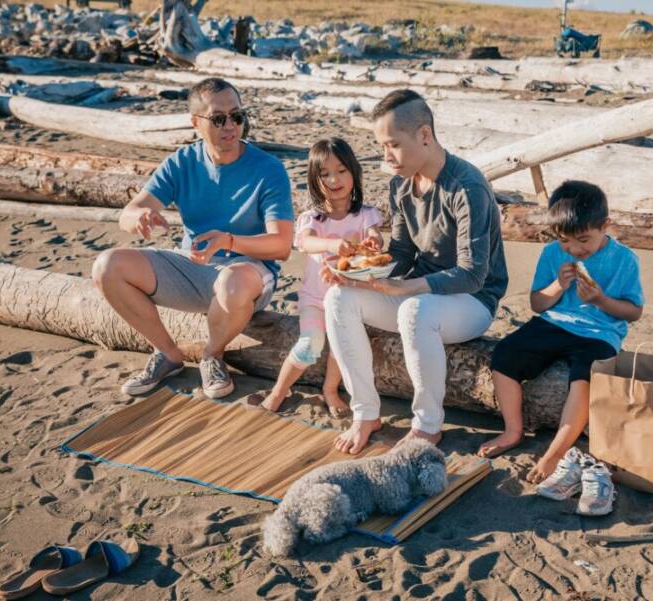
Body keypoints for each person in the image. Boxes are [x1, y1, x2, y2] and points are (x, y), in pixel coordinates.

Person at [322, 89, 508, 455]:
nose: (386, 156)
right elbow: (403, 253)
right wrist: (363, 274)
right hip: (422, 297)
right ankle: (366, 413)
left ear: (424, 135)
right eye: (381, 146)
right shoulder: (401, 185)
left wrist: (405, 288)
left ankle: (427, 425)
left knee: (413, 308)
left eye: (393, 145)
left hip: (473, 301)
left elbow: (473, 274)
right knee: (338, 297)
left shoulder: (468, 187)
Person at [92, 77, 294, 399]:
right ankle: (167, 353)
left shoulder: (269, 169)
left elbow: (281, 246)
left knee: (232, 283)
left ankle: (212, 355)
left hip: (248, 274)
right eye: (218, 119)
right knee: (107, 266)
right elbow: (128, 213)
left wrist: (228, 241)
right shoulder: (182, 162)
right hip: (193, 266)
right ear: (195, 123)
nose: (230, 126)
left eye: (237, 116)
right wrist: (138, 217)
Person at [480, 180, 644, 486]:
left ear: (605, 226)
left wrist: (600, 300)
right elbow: (537, 305)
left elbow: (633, 312)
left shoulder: (624, 260)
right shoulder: (553, 253)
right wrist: (558, 285)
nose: (574, 249)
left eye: (583, 240)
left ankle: (556, 451)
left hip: (600, 333)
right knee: (504, 354)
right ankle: (513, 429)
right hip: (555, 322)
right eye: (565, 240)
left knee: (584, 378)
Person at [258, 138, 383, 417]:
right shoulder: (313, 218)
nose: (334, 179)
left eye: (341, 170)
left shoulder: (365, 214)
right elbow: (305, 242)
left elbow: (375, 235)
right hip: (315, 299)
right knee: (310, 343)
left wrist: (374, 240)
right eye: (324, 174)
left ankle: (330, 390)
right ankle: (279, 391)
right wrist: (331, 245)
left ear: (354, 171)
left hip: (350, 300)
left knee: (340, 347)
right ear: (315, 180)